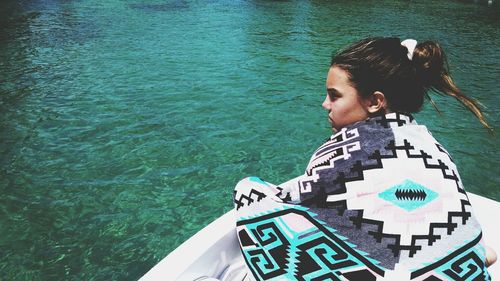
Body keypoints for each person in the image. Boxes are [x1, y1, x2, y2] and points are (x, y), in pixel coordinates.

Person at [233, 37, 495, 280]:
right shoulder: (432, 145)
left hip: (392, 274)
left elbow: (291, 197)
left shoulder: (347, 147)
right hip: (461, 271)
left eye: (334, 95)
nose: (325, 104)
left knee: (249, 192)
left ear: (374, 102)